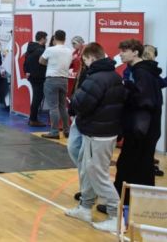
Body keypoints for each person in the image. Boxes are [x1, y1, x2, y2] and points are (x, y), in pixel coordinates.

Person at [64, 43, 126, 233]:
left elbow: (81, 103)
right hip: (102, 131)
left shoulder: (96, 78)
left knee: (98, 175)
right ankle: (85, 207)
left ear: (90, 57)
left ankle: (116, 218)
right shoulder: (114, 76)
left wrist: (73, 102)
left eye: (85, 59)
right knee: (87, 170)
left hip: (98, 134)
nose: (84, 63)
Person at [114, 39, 163, 197]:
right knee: (140, 166)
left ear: (135, 52)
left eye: (124, 51)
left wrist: (126, 90)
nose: (120, 54)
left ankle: (127, 201)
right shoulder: (144, 71)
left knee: (132, 165)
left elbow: (145, 101)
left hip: (141, 131)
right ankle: (134, 201)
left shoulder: (140, 72)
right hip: (145, 129)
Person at [40, 30, 73, 139]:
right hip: (64, 80)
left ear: (54, 38)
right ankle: (67, 130)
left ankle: (54, 132)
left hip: (52, 79)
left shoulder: (50, 49)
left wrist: (50, 64)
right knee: (63, 106)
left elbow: (41, 61)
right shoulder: (69, 51)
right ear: (65, 39)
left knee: (53, 107)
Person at [24, 31, 47, 127]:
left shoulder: (31, 48)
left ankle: (32, 118)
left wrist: (26, 71)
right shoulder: (40, 50)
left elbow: (26, 61)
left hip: (32, 76)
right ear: (42, 39)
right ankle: (33, 119)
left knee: (36, 97)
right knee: (37, 98)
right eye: (45, 38)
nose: (46, 40)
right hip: (39, 76)